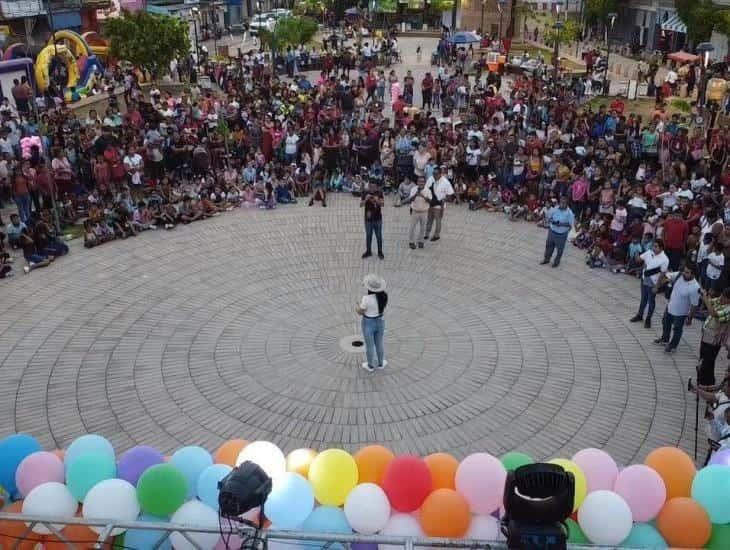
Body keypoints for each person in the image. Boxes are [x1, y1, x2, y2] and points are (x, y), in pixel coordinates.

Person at [655, 265, 701, 353]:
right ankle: (665, 339)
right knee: (665, 323)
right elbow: (668, 275)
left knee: (677, 329)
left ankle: (673, 345)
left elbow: (694, 305)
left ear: (693, 274)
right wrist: (664, 279)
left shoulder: (695, 287)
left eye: (687, 272)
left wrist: (689, 318)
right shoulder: (679, 275)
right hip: (670, 307)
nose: (684, 273)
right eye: (684, 271)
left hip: (681, 313)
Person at [630, 239, 669, 328]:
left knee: (651, 301)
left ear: (661, 248)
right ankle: (639, 315)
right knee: (643, 298)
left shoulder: (665, 259)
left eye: (656, 247)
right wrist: (636, 252)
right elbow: (638, 260)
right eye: (653, 246)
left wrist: (657, 286)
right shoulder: (649, 253)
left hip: (653, 281)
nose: (654, 248)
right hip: (644, 279)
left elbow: (662, 274)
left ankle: (648, 318)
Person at [355, 273, 388, 373]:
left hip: (368, 323)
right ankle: (381, 363)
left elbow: (360, 312)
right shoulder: (384, 296)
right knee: (379, 343)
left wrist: (357, 306)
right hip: (380, 321)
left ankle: (370, 366)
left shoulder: (366, 298)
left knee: (370, 346)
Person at [697, 288, 730, 385]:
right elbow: (709, 301)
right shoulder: (720, 301)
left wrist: (707, 300)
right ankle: (703, 383)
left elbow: (714, 313)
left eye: (724, 297)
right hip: (706, 337)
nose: (721, 298)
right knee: (703, 360)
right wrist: (705, 295)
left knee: (708, 363)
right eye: (721, 295)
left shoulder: (728, 309)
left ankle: (707, 385)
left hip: (714, 340)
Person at [541, 195, 575, 268]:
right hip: (552, 231)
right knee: (548, 246)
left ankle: (556, 262)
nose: (561, 204)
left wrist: (561, 224)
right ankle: (546, 259)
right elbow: (550, 217)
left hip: (561, 234)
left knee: (560, 250)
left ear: (567, 204)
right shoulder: (556, 208)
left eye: (563, 203)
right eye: (561, 202)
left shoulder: (570, 213)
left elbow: (570, 224)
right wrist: (551, 220)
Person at [424, 166, 454, 242]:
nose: (434, 175)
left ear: (441, 174)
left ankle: (436, 235)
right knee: (429, 219)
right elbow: (426, 189)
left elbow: (450, 195)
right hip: (430, 203)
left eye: (436, 174)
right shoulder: (430, 179)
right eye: (433, 173)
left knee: (438, 220)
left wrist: (443, 200)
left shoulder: (446, 182)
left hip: (439, 205)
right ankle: (427, 233)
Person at [406, 176, 432, 249]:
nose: (421, 183)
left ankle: (421, 241)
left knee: (423, 228)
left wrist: (423, 196)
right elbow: (410, 199)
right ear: (417, 182)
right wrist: (416, 194)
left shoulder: (428, 190)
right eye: (419, 181)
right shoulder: (414, 189)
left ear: (424, 182)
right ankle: (411, 242)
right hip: (415, 211)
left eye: (422, 181)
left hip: (424, 212)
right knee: (412, 227)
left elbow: (430, 201)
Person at [361, 182, 384, 260]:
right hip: (368, 219)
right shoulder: (365, 193)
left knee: (379, 236)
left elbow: (382, 204)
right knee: (368, 236)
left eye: (374, 187)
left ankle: (380, 252)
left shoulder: (379, 193)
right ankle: (368, 251)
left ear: (377, 187)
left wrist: (376, 200)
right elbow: (361, 204)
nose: (372, 189)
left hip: (378, 219)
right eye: (370, 187)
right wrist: (366, 199)